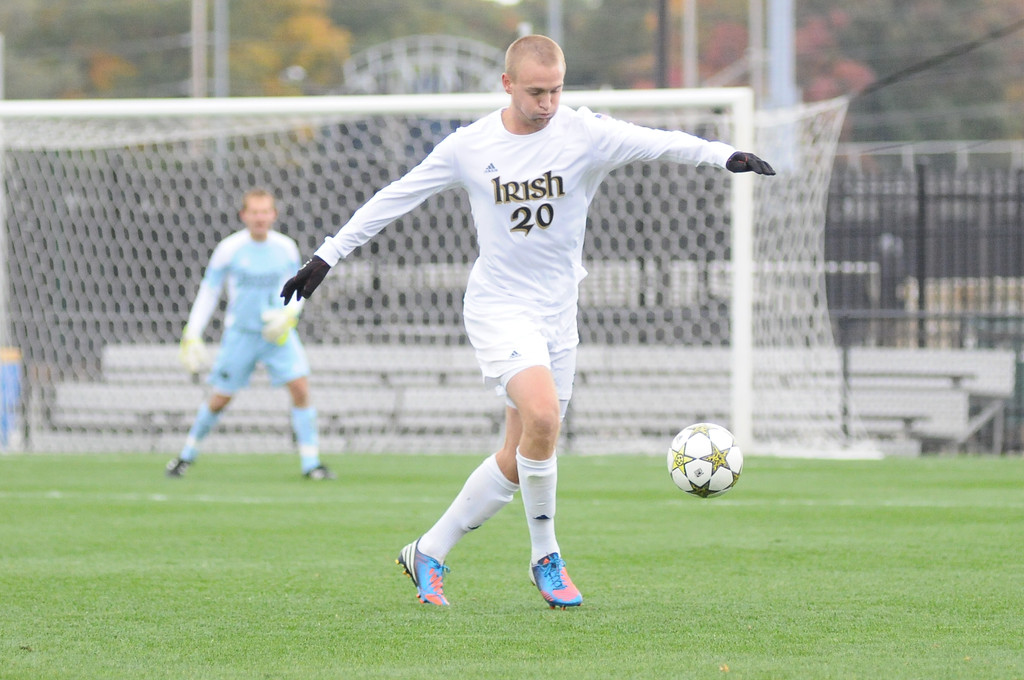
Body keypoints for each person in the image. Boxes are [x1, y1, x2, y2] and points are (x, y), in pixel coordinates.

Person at [281, 35, 774, 607]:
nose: (547, 103)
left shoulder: (582, 132)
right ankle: (546, 556)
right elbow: (396, 197)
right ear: (508, 86)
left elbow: (658, 142)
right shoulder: (470, 146)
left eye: (557, 90)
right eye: (536, 91)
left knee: (521, 455)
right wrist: (326, 256)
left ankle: (428, 551)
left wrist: (723, 155)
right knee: (542, 416)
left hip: (558, 313)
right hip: (499, 307)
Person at [166, 189, 334, 481]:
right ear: (244, 215)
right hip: (241, 335)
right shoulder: (229, 249)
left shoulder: (285, 247)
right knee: (220, 398)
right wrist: (192, 332)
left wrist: (289, 316)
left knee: (301, 388)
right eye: (254, 212)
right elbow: (209, 290)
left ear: (273, 215)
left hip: (277, 336)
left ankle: (312, 463)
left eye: (265, 211)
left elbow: (299, 286)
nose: (259, 217)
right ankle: (186, 456)